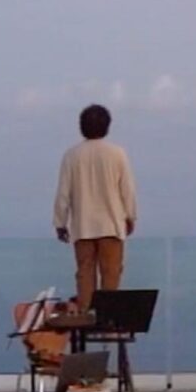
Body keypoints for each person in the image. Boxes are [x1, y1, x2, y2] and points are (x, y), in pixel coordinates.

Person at [53, 103, 138, 308]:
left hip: (82, 226)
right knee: (111, 273)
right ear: (107, 126)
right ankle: (107, 318)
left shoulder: (71, 155)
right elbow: (127, 189)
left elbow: (63, 193)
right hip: (111, 224)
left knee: (84, 273)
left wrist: (60, 222)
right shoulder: (117, 153)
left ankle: (85, 314)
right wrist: (130, 215)